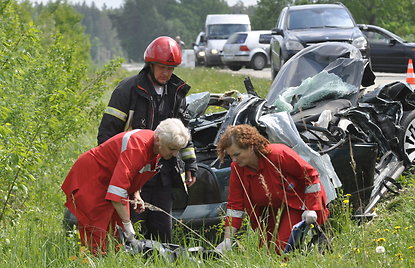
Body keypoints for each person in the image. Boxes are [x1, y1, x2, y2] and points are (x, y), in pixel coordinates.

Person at [96, 36, 197, 243]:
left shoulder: (177, 93)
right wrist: (117, 173)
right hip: (133, 172)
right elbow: (106, 135)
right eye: (161, 67)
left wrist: (190, 163)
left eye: (171, 68)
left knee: (163, 232)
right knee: (133, 232)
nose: (166, 73)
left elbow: (183, 131)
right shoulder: (127, 90)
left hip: (164, 174)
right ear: (150, 64)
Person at [61, 118, 190, 255]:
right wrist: (128, 224)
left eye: (178, 150)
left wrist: (136, 193)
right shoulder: (137, 147)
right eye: (172, 149)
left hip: (111, 181)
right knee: (97, 234)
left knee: (118, 236)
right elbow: (117, 192)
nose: (175, 154)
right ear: (158, 139)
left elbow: (133, 173)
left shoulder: (156, 147)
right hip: (91, 179)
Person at [215, 125, 329, 254]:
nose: (234, 160)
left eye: (237, 154)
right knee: (267, 251)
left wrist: (311, 209)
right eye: (231, 156)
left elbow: (311, 177)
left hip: (298, 203)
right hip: (270, 210)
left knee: (282, 247)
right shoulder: (237, 168)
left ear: (251, 146)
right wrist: (227, 240)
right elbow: (235, 206)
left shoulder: (278, 154)